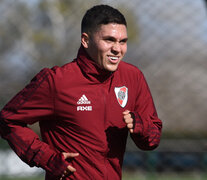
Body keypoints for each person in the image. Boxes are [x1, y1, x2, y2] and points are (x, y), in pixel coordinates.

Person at [0, 4, 162, 180]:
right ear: (85, 40)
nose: (117, 49)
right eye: (109, 40)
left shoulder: (133, 77)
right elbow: (8, 120)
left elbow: (152, 138)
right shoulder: (56, 81)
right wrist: (47, 158)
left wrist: (140, 126)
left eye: (122, 41)